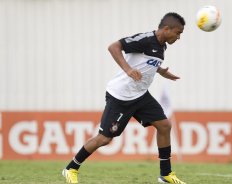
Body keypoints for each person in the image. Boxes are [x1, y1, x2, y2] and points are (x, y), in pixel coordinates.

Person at [62, 12, 186, 184]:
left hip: (141, 95)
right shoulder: (145, 39)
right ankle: (71, 168)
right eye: (178, 32)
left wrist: (161, 71)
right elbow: (113, 47)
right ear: (166, 29)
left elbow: (146, 62)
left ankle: (165, 175)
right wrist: (128, 70)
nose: (179, 37)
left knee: (164, 126)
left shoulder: (162, 46)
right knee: (104, 139)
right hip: (120, 97)